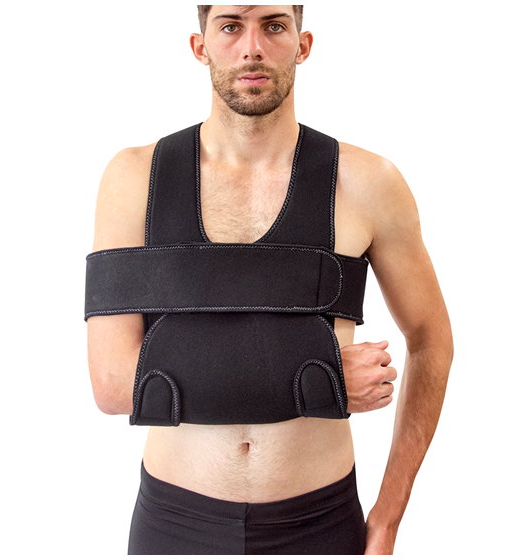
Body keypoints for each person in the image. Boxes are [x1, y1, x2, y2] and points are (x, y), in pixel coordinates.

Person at [86, 5, 453, 555]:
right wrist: (322, 380)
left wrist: (388, 517)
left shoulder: (367, 183)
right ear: (200, 46)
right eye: (231, 26)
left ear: (303, 45)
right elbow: (114, 384)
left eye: (274, 25)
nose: (252, 46)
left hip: (319, 524)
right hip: (175, 525)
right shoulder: (137, 178)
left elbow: (431, 340)